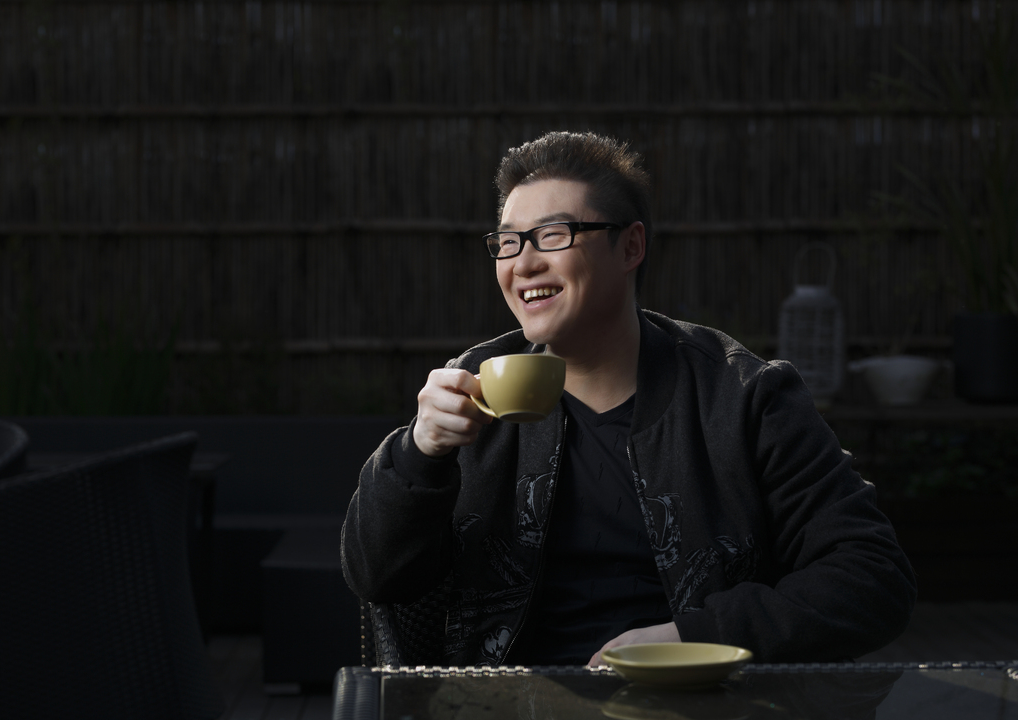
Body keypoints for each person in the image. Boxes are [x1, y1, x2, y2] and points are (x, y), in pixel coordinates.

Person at [341, 131, 916, 667]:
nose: (523, 263)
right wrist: (419, 453)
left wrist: (696, 637)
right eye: (508, 242)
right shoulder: (468, 391)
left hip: (699, 699)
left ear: (630, 245)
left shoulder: (742, 396)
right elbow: (376, 578)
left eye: (553, 235)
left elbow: (871, 575)